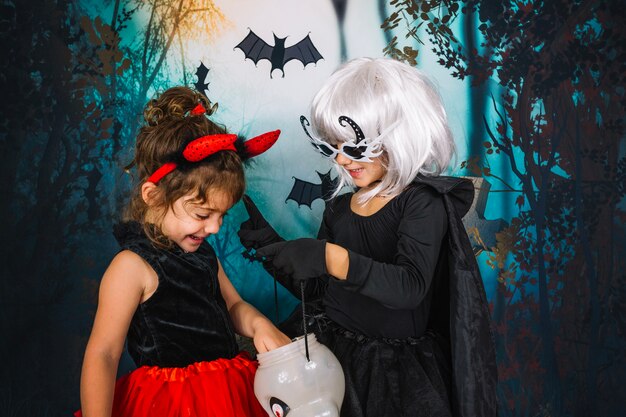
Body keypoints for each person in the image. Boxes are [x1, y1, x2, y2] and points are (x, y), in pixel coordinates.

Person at [239, 58, 497, 417]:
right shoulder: (340, 208)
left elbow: (409, 288)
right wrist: (274, 248)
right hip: (333, 359)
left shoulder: (421, 202)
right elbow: (319, 293)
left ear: (397, 136)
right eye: (332, 147)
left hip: (392, 375)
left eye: (354, 146)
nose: (342, 160)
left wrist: (328, 256)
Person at [77, 86, 291, 417]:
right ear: (153, 196)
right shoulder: (131, 266)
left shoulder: (202, 253)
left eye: (222, 215)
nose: (216, 228)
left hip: (230, 391)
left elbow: (232, 305)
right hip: (172, 402)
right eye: (203, 215)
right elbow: (103, 353)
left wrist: (259, 324)